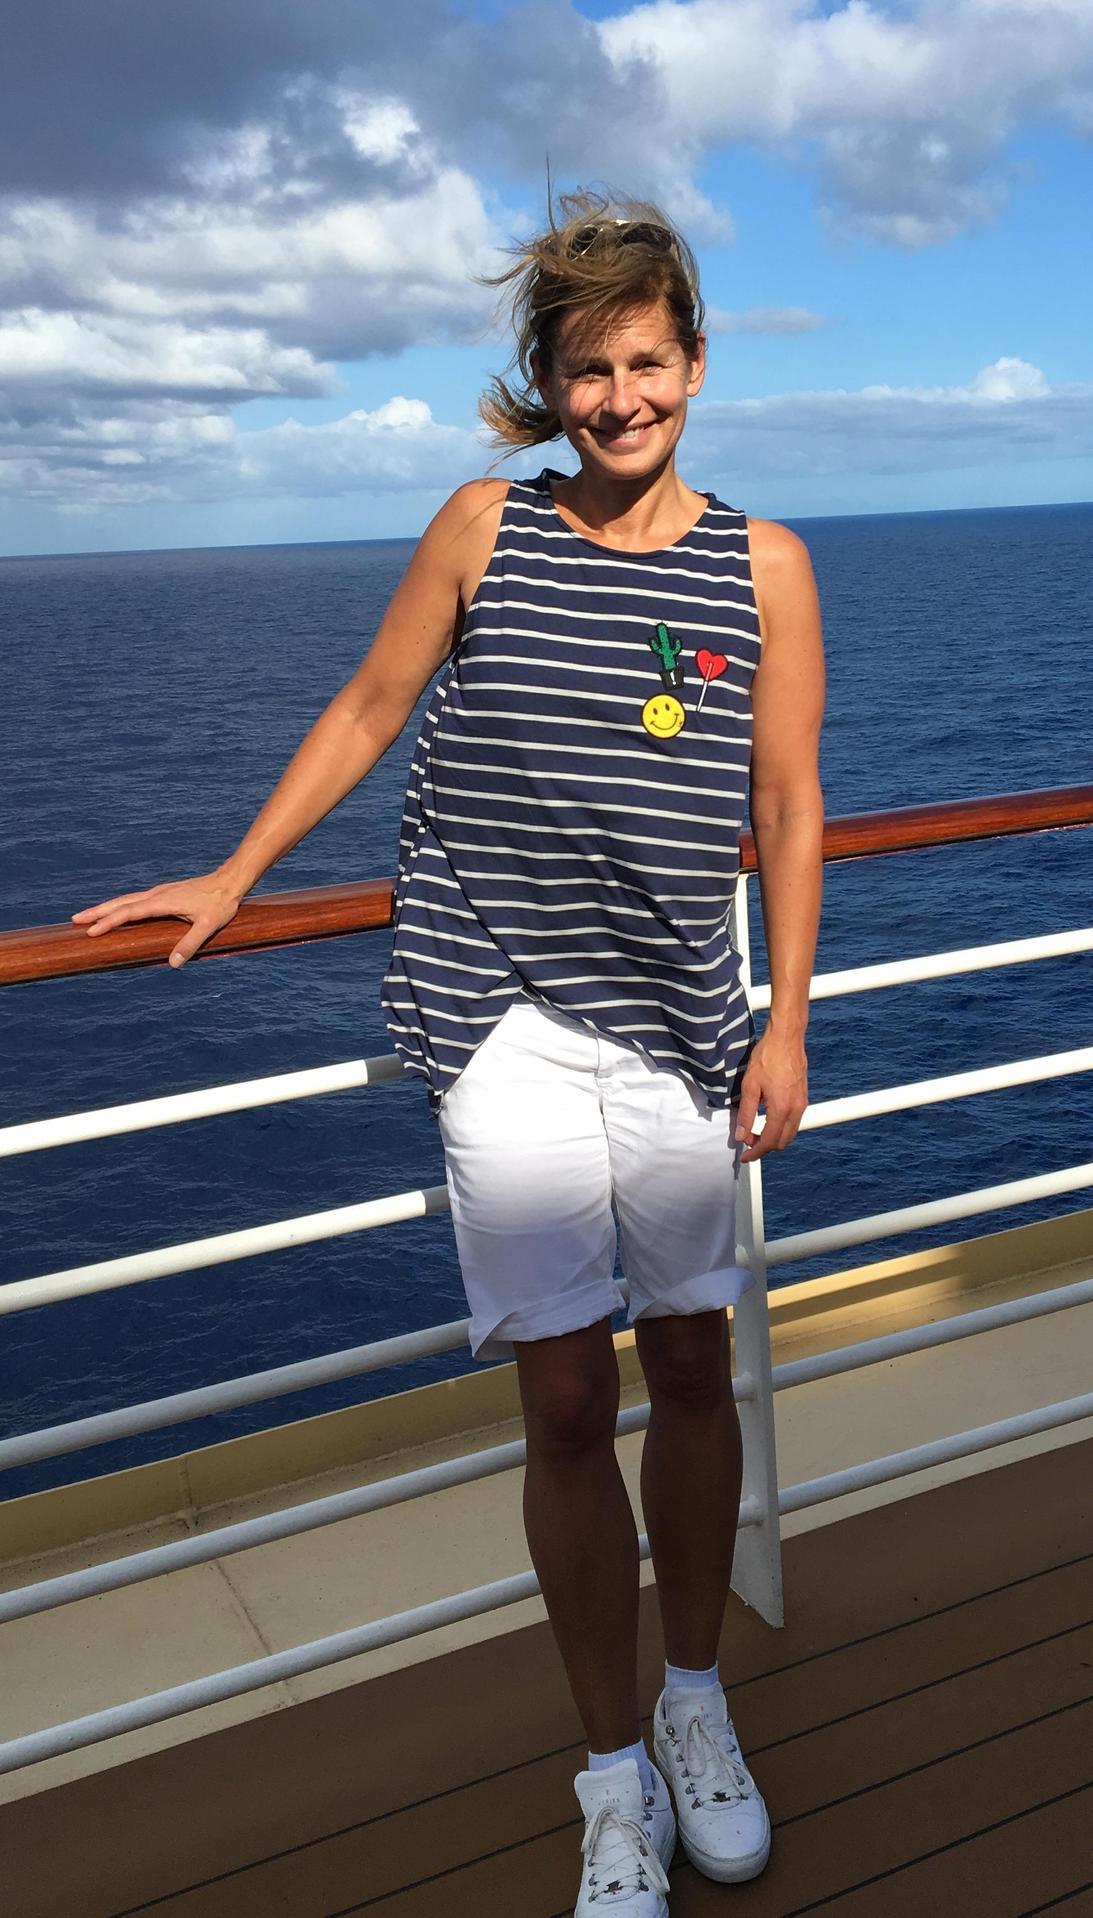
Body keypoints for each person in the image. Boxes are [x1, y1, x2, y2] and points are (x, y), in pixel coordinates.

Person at [73, 188, 825, 1915]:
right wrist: (236, 873)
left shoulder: (764, 566)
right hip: (505, 1018)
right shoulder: (488, 528)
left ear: (695, 364)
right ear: (546, 383)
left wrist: (788, 1015)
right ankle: (611, 1776)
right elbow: (367, 706)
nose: (620, 399)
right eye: (587, 369)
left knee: (691, 1366)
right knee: (563, 1394)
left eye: (647, 362)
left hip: (681, 1024)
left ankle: (694, 1701)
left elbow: (786, 803)